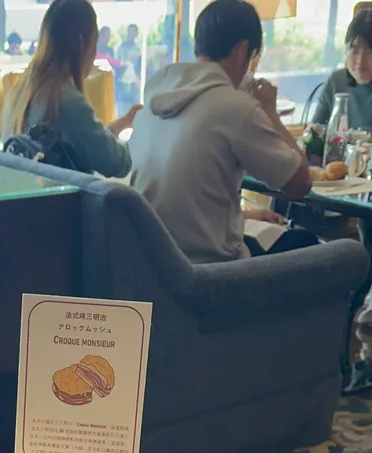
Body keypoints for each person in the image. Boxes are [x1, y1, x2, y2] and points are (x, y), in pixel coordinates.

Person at [129, 0, 312, 263]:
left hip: (152, 265)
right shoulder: (235, 107)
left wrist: (244, 215)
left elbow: (184, 202)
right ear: (243, 51)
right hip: (213, 273)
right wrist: (269, 112)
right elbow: (300, 184)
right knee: (315, 245)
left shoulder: (154, 103)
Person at [2, 0, 138, 177]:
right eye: (95, 42)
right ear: (82, 42)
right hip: (64, 195)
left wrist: (123, 123)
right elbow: (117, 164)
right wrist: (144, 131)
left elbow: (87, 143)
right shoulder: (67, 102)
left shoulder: (22, 92)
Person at [315, 9, 372, 131]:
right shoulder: (336, 82)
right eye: (354, 50)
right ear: (346, 50)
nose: (360, 60)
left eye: (370, 51)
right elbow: (314, 132)